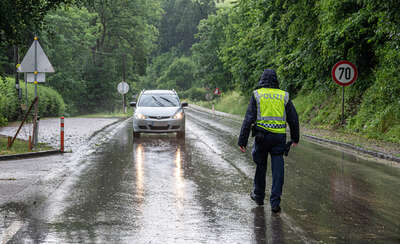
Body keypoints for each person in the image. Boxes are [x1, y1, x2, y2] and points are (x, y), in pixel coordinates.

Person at [238, 69, 299, 213]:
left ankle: (258, 196)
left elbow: (248, 119)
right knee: (278, 171)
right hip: (279, 138)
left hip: (262, 137)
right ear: (276, 80)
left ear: (262, 80)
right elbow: (293, 118)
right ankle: (275, 203)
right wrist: (295, 138)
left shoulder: (257, 95)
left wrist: (243, 141)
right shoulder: (283, 96)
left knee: (261, 166)